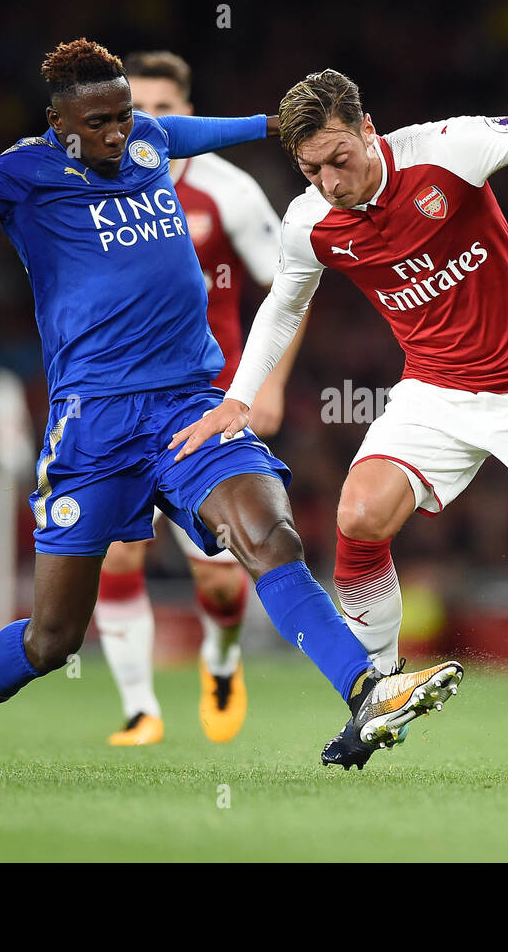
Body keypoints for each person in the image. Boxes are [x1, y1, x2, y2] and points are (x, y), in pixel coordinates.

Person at [0, 22, 463, 773]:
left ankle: (366, 689)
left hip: (192, 402)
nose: (121, 134)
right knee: (53, 637)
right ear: (58, 123)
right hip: (95, 426)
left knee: (269, 535)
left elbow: (183, 129)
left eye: (125, 115)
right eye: (100, 123)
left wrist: (269, 123)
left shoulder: (149, 139)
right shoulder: (22, 174)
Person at [170, 70, 508, 780]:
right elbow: (283, 304)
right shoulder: (310, 223)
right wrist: (242, 395)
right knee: (358, 515)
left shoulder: (445, 152)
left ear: (369, 130)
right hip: (436, 391)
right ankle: (378, 692)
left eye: (340, 158)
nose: (331, 181)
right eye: (312, 169)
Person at [93, 51, 307, 747]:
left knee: (220, 575)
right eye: (138, 108)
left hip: (206, 404)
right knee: (118, 553)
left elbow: (292, 287)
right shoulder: (95, 185)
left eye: (165, 107)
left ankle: (221, 658)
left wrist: (266, 384)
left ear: (190, 114)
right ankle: (139, 709)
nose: (150, 120)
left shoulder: (230, 191)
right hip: (119, 403)